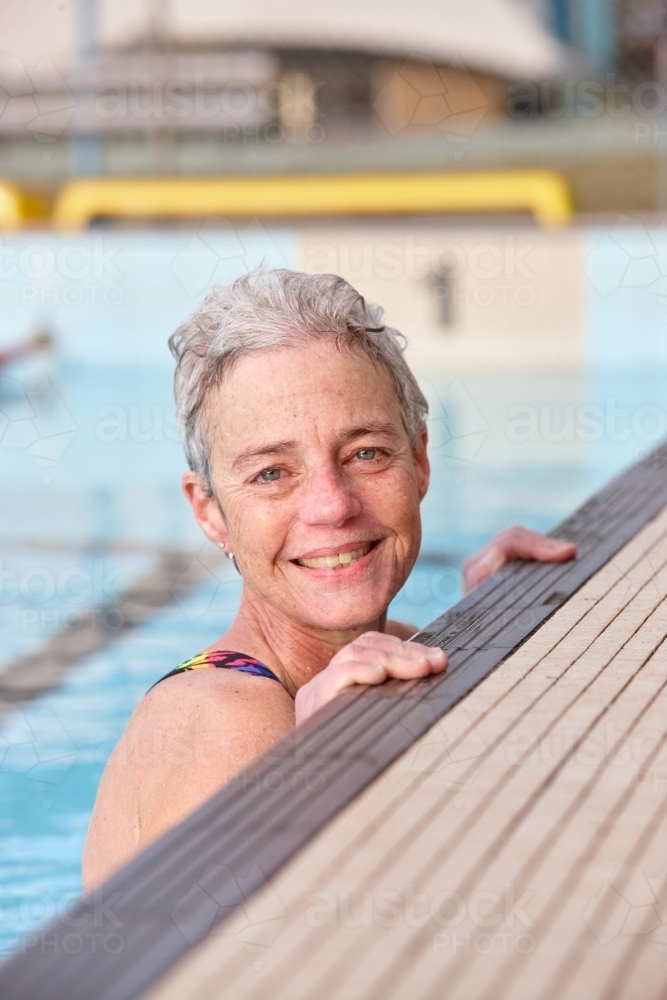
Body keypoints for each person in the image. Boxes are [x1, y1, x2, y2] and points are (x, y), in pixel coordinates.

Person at [82, 269, 575, 890]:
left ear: (419, 460)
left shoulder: (395, 645)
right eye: (271, 473)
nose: (332, 506)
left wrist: (491, 638)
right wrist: (313, 774)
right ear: (209, 511)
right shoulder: (226, 719)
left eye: (365, 453)